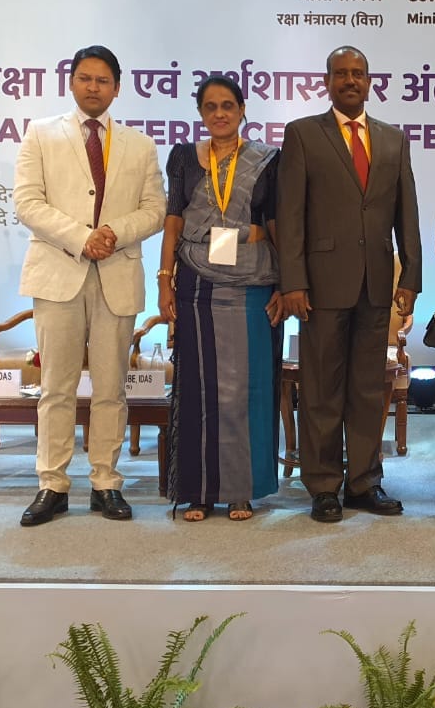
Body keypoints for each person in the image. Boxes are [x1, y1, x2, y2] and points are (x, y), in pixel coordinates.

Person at [14, 44, 166, 526]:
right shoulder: (41, 133)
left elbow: (155, 209)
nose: (93, 87)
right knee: (55, 387)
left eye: (103, 80)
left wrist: (113, 233)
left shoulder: (140, 145)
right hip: (58, 273)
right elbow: (27, 202)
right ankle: (52, 484)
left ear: (117, 88)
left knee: (111, 388)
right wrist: (82, 238)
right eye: (85, 78)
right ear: (71, 82)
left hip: (116, 274)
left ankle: (106, 482)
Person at [277, 45, 421, 523]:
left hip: (376, 284)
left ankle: (363, 482)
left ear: (369, 80)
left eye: (358, 73)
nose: (350, 80)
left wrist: (411, 276)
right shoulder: (302, 134)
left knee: (366, 389)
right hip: (319, 286)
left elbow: (406, 212)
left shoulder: (393, 139)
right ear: (327, 82)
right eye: (341, 73)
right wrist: (293, 281)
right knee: (321, 389)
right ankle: (323, 485)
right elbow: (290, 215)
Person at [157, 75, 284, 522]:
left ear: (243, 109)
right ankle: (199, 491)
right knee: (199, 387)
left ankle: (241, 489)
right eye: (210, 107)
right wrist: (164, 279)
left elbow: (278, 223)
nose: (219, 114)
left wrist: (283, 282)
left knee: (247, 387)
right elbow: (173, 220)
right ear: (200, 113)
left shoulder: (268, 159)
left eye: (227, 105)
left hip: (252, 282)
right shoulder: (183, 157)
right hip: (196, 284)